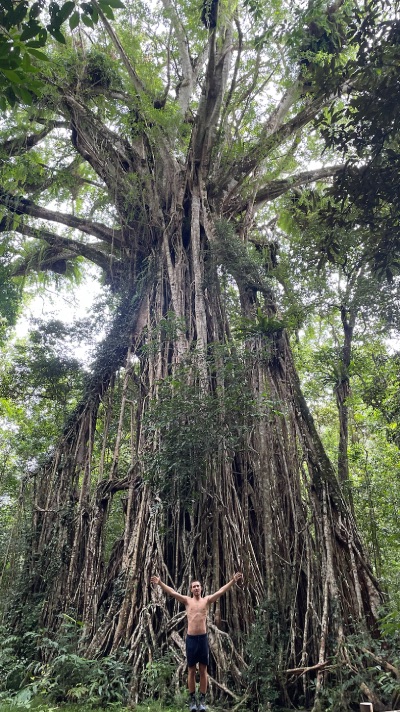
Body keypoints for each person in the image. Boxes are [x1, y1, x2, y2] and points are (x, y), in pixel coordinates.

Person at [150, 572, 243, 712]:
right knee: (191, 670)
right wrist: (160, 583)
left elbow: (221, 591)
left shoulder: (207, 600)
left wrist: (233, 581)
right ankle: (193, 700)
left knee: (203, 670)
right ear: (191, 589)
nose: (196, 588)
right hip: (191, 640)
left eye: (198, 586)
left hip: (203, 639)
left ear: (201, 588)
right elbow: (173, 592)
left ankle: (202, 700)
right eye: (194, 586)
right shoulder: (187, 601)